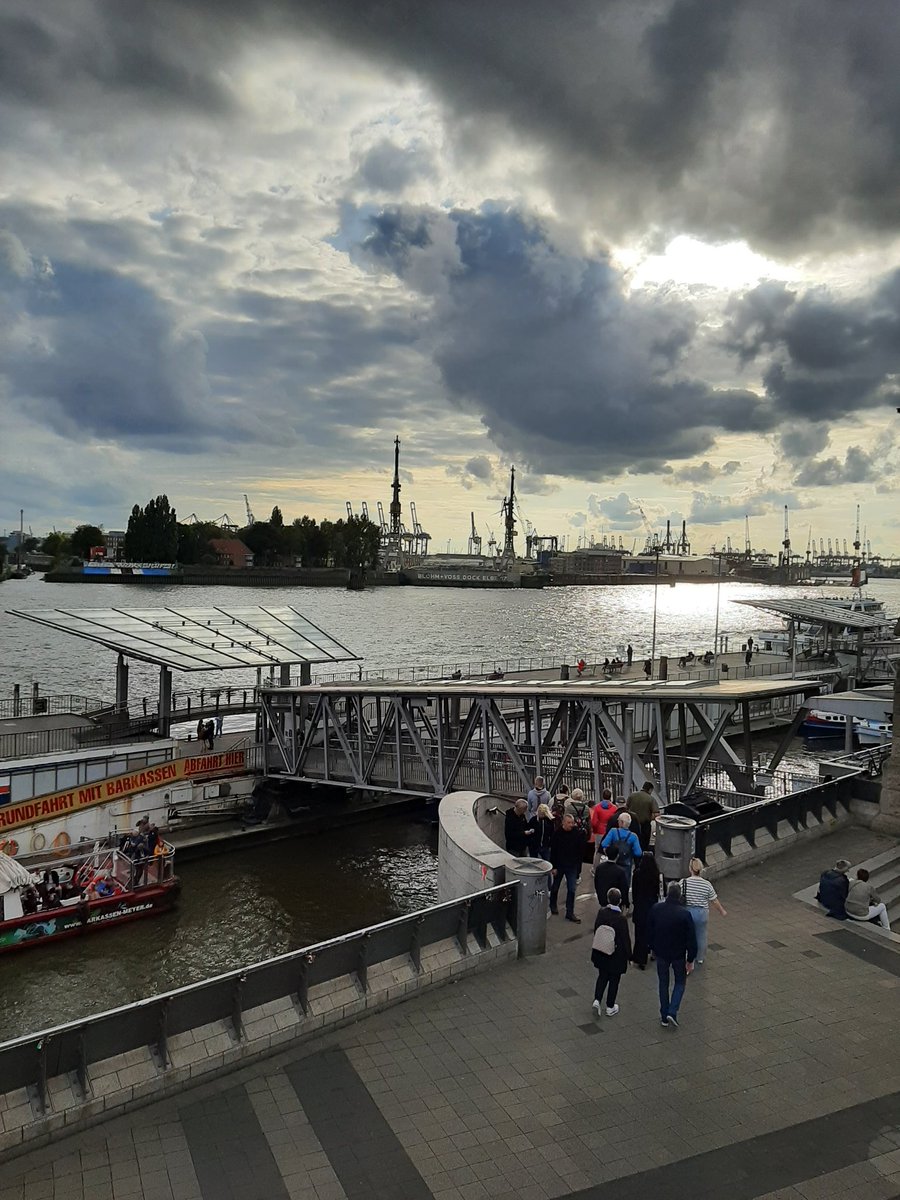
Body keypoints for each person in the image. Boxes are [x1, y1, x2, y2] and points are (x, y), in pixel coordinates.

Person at [648, 881, 698, 1028]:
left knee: (663, 983)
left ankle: (664, 1015)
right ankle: (672, 1010)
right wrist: (690, 959)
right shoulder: (684, 914)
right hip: (678, 955)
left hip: (661, 953)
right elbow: (691, 939)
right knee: (680, 982)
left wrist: (652, 947)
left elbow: (649, 931)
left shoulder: (656, 909)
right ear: (679, 895)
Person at [591, 888, 632, 1016]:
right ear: (619, 901)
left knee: (602, 976)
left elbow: (596, 929)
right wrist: (629, 956)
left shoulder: (602, 913)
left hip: (601, 952)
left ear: (608, 899)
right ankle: (610, 1006)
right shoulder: (621, 919)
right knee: (614, 980)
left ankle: (597, 1000)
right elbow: (626, 939)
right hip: (616, 956)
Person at [680, 858, 727, 963]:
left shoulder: (683, 882)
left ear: (690, 869)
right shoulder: (707, 884)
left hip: (688, 912)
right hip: (702, 913)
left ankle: (688, 954)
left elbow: (677, 897)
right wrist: (722, 911)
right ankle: (700, 957)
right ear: (700, 869)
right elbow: (714, 900)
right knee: (701, 935)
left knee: (687, 934)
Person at [549, 814, 586, 922]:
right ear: (563, 823)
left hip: (572, 866)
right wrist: (553, 867)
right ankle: (553, 905)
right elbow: (554, 851)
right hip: (559, 865)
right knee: (555, 887)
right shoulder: (557, 834)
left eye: (572, 823)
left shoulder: (577, 834)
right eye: (569, 823)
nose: (571, 825)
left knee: (572, 889)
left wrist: (578, 869)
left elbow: (580, 852)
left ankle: (570, 912)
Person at [630, 851, 661, 969]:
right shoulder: (656, 874)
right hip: (652, 906)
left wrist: (634, 902)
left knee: (639, 934)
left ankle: (640, 958)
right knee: (651, 931)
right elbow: (658, 891)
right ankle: (653, 951)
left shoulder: (637, 874)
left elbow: (635, 891)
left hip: (640, 907)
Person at [601, 812, 642, 899]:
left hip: (614, 863)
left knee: (612, 884)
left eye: (619, 821)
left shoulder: (613, 831)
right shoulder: (633, 836)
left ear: (622, 823)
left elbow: (604, 844)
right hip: (626, 865)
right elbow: (638, 853)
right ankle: (624, 902)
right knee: (625, 885)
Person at [626, 781, 660, 850]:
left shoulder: (632, 795)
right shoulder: (651, 799)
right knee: (644, 845)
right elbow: (657, 814)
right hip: (645, 826)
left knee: (632, 843)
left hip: (632, 824)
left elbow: (626, 808)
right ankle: (642, 857)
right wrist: (650, 817)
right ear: (650, 790)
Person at [593, 842, 628, 909]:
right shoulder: (620, 871)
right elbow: (624, 888)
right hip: (615, 902)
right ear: (617, 856)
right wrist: (625, 902)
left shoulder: (599, 868)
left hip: (602, 899)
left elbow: (596, 883)